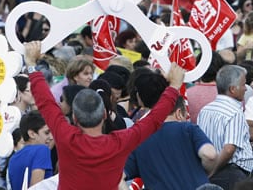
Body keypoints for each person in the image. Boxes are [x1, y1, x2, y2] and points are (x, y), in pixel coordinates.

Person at [23, 41, 185, 189]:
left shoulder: (66, 136)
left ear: (75, 118)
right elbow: (153, 120)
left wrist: (31, 64)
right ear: (105, 115)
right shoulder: (120, 142)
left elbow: (46, 103)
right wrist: (174, 86)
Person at [124, 96, 218, 190]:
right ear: (179, 113)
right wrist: (207, 171)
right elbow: (210, 155)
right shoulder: (188, 129)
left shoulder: (139, 139)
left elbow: (117, 176)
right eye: (186, 115)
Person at [198, 65, 253, 190]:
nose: (246, 89)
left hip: (212, 170)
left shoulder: (206, 109)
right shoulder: (234, 112)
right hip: (231, 174)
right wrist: (213, 171)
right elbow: (229, 149)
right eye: (244, 84)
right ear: (233, 89)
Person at [7, 111, 53, 189]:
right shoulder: (42, 150)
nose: (51, 137)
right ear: (32, 134)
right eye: (47, 133)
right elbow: (36, 187)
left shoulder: (13, 158)